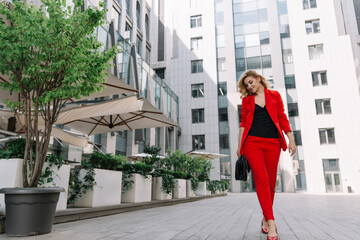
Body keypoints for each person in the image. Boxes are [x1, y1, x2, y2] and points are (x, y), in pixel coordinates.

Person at [236, 70, 296, 240]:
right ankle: (271, 223)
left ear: (258, 79)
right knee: (261, 179)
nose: (249, 86)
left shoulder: (275, 95)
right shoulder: (247, 100)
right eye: (246, 85)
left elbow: (282, 117)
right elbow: (242, 123)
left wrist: (291, 139)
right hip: (252, 143)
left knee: (270, 182)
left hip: (273, 143)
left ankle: (264, 217)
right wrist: (240, 145)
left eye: (250, 82)